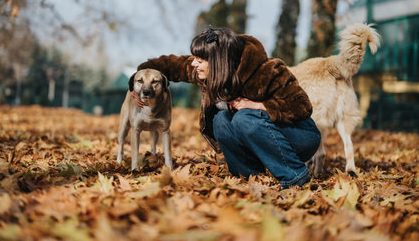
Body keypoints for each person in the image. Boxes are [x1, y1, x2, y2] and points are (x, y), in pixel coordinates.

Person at [137, 26, 321, 188]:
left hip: (300, 137)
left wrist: (259, 105)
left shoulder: (267, 70)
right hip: (262, 136)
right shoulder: (208, 74)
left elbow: (302, 107)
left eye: (199, 61)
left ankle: (294, 176)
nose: (194, 64)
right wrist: (140, 79)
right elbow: (172, 65)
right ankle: (249, 177)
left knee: (243, 118)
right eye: (195, 59)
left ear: (218, 62)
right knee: (220, 120)